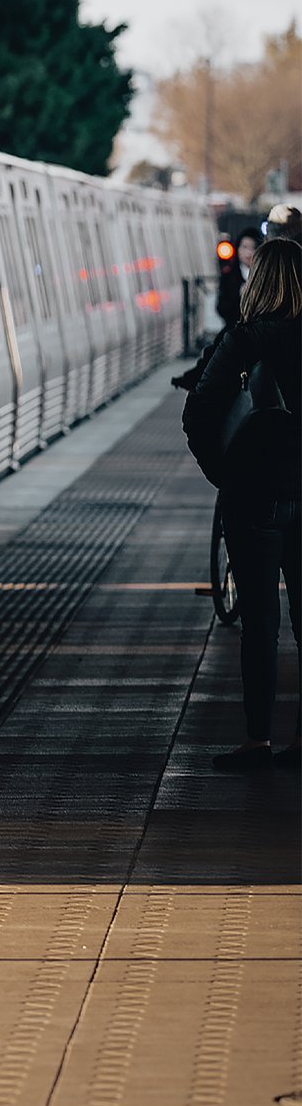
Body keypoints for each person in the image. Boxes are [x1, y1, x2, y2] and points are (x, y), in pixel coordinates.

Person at [186, 235, 302, 769]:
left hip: (254, 497)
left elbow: (200, 413)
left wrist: (226, 476)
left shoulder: (244, 340)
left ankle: (258, 739)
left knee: (260, 622)